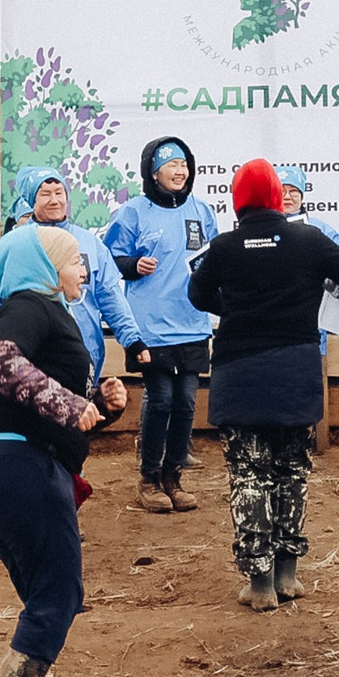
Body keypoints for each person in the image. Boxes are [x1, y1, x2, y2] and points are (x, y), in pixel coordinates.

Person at [0, 223, 129, 677]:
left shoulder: (48, 311)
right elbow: (0, 361)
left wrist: (99, 407)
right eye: (76, 261)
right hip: (23, 464)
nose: (84, 271)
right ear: (47, 266)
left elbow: (51, 406)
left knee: (51, 593)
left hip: (16, 464)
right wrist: (69, 403)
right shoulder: (28, 303)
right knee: (57, 594)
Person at [189, 159, 339, 611]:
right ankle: (288, 574)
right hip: (295, 371)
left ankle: (260, 582)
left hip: (239, 374)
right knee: (292, 470)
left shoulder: (225, 246)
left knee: (248, 475)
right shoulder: (308, 239)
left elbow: (196, 295)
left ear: (238, 199)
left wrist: (236, 306)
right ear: (277, 196)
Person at [103, 139, 217, 515]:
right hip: (151, 325)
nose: (180, 171)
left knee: (186, 402)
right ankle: (149, 478)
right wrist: (133, 265)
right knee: (162, 398)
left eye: (184, 164)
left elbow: (213, 259)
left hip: (192, 321)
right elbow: (110, 259)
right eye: (172, 165)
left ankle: (173, 477)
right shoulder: (133, 212)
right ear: (154, 173)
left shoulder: (202, 211)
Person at [0, 171, 147, 416]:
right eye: (45, 194)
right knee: (39, 416)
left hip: (83, 352)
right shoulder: (14, 245)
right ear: (31, 200)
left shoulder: (90, 243)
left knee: (79, 421)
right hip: (34, 355)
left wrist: (132, 340)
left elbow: (110, 296)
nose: (54, 200)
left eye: (59, 193)